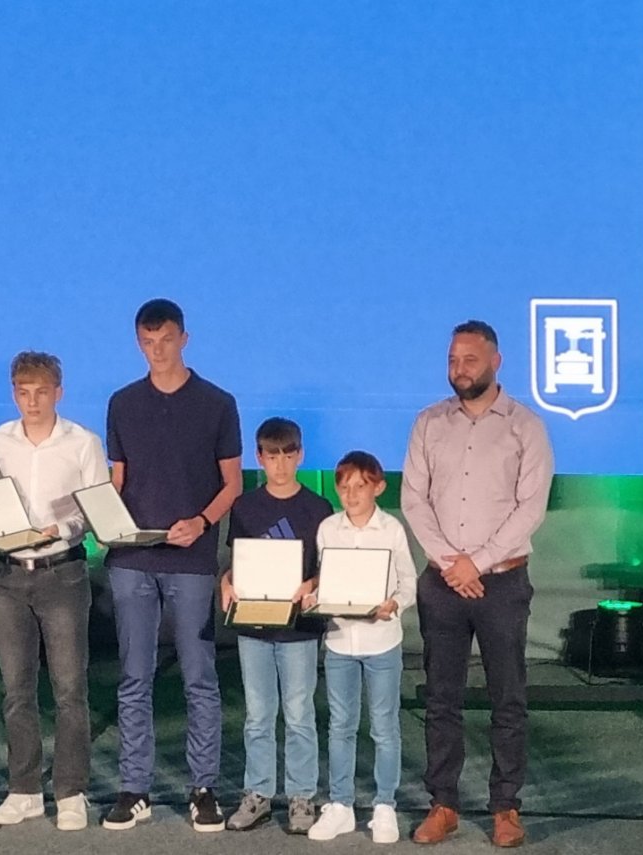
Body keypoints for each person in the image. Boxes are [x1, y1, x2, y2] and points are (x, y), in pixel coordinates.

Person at [401, 320, 553, 848]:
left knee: (507, 698)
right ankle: (443, 803)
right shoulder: (428, 423)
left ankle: (505, 806)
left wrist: (479, 563)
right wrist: (451, 563)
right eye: (452, 360)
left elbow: (530, 507)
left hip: (503, 583)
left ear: (495, 362)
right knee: (441, 700)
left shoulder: (526, 426)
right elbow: (413, 499)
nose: (459, 369)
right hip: (443, 583)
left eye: (469, 359)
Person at [103, 298, 243, 833]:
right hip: (132, 559)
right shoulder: (122, 403)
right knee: (133, 677)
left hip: (192, 559)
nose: (157, 350)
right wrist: (103, 519)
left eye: (165, 340)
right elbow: (118, 480)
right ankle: (134, 788)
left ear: (184, 338)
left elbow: (232, 483)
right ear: (138, 343)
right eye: (147, 342)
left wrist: (201, 522)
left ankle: (203, 788)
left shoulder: (217, 403)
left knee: (199, 677)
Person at [0, 351, 108, 832]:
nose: (32, 401)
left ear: (58, 392)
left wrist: (63, 528)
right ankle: (25, 789)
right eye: (23, 392)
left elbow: (96, 507)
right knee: (16, 691)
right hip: (9, 575)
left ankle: (71, 791)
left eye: (41, 392)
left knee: (70, 690)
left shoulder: (83, 442)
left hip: (62, 573)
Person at [219, 418, 329, 835]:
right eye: (271, 456)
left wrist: (312, 584)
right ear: (259, 458)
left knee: (299, 713)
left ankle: (301, 795)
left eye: (288, 455)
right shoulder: (245, 507)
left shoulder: (318, 508)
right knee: (258, 714)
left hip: (299, 628)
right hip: (254, 626)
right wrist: (227, 582)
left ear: (300, 455)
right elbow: (238, 563)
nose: (280, 464)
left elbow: (326, 568)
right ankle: (258, 793)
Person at [307, 451, 417, 844]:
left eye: (360, 486)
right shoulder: (328, 529)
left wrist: (394, 604)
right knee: (341, 724)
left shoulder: (391, 529)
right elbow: (326, 578)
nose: (351, 494)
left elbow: (408, 581)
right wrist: (315, 597)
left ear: (378, 487)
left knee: (384, 726)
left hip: (381, 640)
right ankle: (341, 805)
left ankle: (385, 805)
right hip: (340, 640)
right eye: (344, 487)